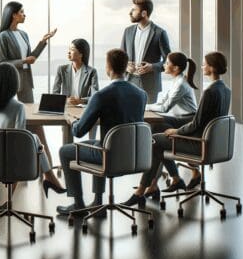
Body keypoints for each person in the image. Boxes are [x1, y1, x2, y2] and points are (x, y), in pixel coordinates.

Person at [125, 51, 231, 207]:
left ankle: (142, 190)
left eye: (204, 64)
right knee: (157, 129)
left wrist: (176, 132)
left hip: (198, 142)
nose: (201, 66)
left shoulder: (209, 92)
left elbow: (196, 124)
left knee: (154, 141)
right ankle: (165, 181)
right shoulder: (224, 90)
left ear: (212, 68)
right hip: (212, 142)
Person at [56, 48, 147, 216]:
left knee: (65, 150)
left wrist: (72, 120)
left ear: (108, 68)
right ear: (125, 67)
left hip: (109, 156)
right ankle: (97, 202)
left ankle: (78, 204)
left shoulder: (101, 96)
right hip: (135, 155)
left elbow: (79, 132)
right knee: (100, 144)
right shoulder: (141, 94)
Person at [0, 63, 65, 203]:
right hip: (13, 163)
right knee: (33, 139)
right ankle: (49, 176)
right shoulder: (18, 107)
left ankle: (10, 200)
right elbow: (19, 141)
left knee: (34, 138)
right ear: (13, 84)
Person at [0, 1, 58, 172]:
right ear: (13, 14)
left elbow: (32, 58)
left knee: (35, 122)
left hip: (25, 80)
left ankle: (46, 166)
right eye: (22, 12)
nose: (25, 15)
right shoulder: (3, 36)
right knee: (15, 124)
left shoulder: (23, 35)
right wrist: (23, 61)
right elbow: (2, 63)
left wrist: (43, 42)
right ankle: (18, 166)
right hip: (10, 81)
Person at [139, 51, 198, 197]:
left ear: (176, 68)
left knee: (156, 135)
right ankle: (173, 178)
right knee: (155, 129)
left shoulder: (180, 84)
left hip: (188, 120)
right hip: (181, 118)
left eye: (166, 63)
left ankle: (161, 180)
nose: (164, 65)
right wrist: (147, 105)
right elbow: (161, 102)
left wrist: (144, 107)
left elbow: (165, 108)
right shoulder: (176, 80)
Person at [120, 0, 172, 103]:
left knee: (148, 117)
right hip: (130, 82)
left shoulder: (159, 33)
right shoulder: (128, 31)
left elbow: (168, 60)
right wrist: (125, 66)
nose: (130, 13)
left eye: (134, 10)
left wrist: (152, 67)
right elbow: (121, 56)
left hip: (150, 85)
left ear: (144, 13)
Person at [52, 38, 99, 139]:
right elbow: (54, 94)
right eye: (69, 49)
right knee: (67, 137)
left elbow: (95, 96)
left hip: (85, 109)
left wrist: (80, 100)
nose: (68, 52)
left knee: (94, 119)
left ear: (81, 54)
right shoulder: (62, 69)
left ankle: (92, 149)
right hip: (67, 109)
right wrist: (65, 100)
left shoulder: (92, 72)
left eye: (72, 49)